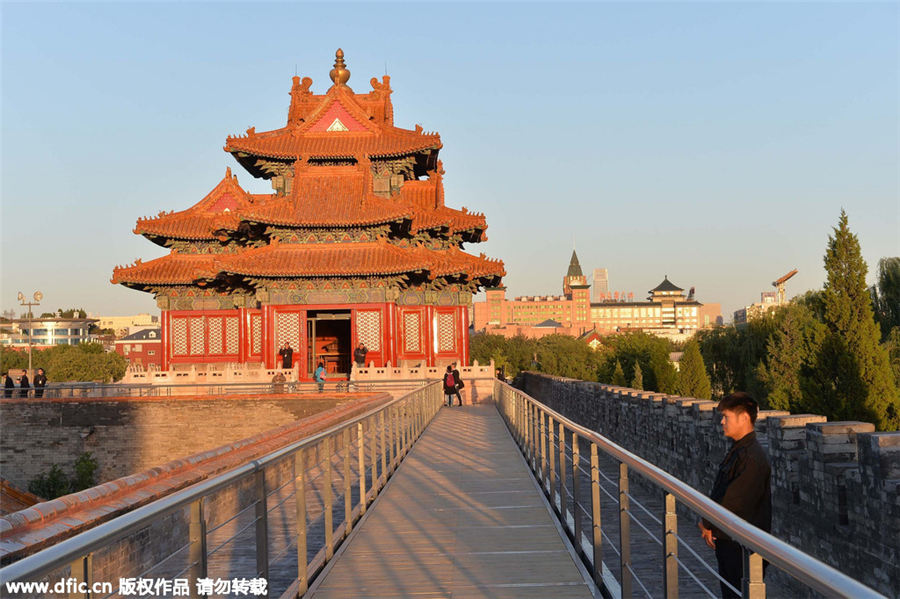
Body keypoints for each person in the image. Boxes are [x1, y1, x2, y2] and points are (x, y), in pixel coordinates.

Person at [698, 392, 771, 599]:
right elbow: (721, 492)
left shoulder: (751, 458)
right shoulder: (740, 451)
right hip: (729, 540)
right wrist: (708, 523)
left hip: (741, 547)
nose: (722, 422)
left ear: (744, 418)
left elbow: (735, 500)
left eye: (726, 417)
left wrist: (707, 523)